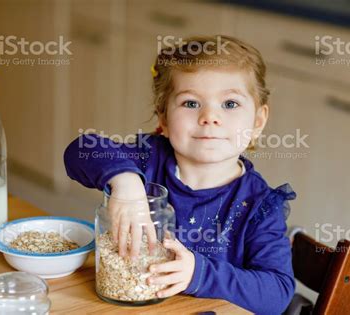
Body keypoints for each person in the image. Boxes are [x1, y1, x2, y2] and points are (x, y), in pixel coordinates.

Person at [64, 35, 296, 314]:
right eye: (191, 103)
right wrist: (125, 181)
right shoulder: (147, 158)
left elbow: (277, 294)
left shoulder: (259, 205)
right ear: (163, 118)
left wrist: (199, 274)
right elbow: (80, 151)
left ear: (257, 122)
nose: (210, 117)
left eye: (230, 104)